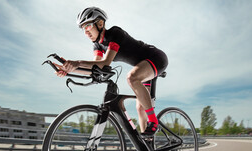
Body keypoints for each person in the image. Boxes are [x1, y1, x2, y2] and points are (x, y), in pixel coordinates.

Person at [54, 7, 168, 136]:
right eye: (82, 29)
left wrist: (77, 63)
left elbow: (105, 63)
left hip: (155, 58)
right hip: (143, 67)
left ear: (100, 23)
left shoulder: (115, 33)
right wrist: (69, 70)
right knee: (140, 107)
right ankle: (148, 148)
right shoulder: (97, 45)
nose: (85, 32)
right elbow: (96, 68)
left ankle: (153, 121)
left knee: (132, 77)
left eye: (87, 26)